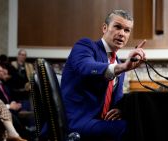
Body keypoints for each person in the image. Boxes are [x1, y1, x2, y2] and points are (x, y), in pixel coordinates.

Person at [61, 9, 146, 140]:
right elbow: (86, 67)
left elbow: (116, 100)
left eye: (127, 30)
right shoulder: (86, 45)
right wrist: (122, 67)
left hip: (101, 122)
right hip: (76, 123)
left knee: (143, 120)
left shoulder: (117, 63)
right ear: (105, 28)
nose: (122, 34)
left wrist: (120, 110)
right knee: (132, 127)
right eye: (117, 27)